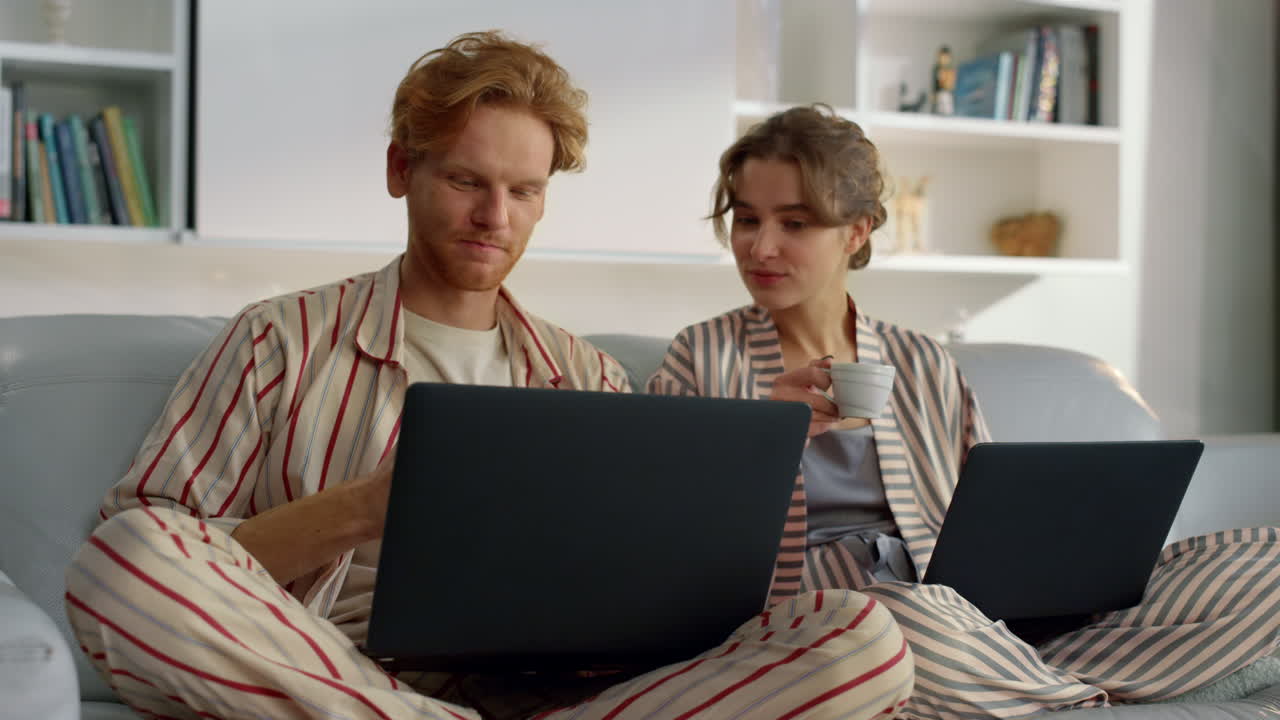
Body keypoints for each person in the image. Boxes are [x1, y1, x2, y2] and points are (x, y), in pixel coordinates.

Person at [65, 34, 913, 720]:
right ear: (403, 171)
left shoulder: (586, 374)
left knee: (862, 640)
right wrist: (367, 507)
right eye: (467, 180)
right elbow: (162, 550)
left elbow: (656, 598)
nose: (494, 219)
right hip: (322, 671)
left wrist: (733, 467)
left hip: (561, 693)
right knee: (125, 556)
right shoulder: (279, 340)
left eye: (524, 192)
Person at [647, 103, 1280, 719]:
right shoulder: (700, 357)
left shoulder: (924, 362)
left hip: (965, 615)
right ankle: (1068, 694)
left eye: (795, 224)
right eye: (746, 219)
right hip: (831, 624)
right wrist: (767, 437)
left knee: (1263, 568)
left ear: (858, 231)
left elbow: (995, 524)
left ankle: (1011, 681)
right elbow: (660, 547)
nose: (760, 246)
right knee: (893, 624)